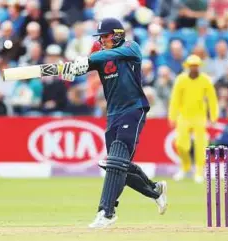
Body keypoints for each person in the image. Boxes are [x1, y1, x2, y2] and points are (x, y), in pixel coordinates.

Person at [60, 18, 168, 228]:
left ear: (117, 34)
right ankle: (155, 189)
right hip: (113, 115)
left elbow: (107, 55)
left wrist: (89, 58)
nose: (101, 41)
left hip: (133, 109)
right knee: (118, 166)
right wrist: (70, 70)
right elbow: (79, 68)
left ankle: (106, 212)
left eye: (104, 37)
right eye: (100, 38)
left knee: (116, 160)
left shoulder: (131, 48)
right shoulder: (100, 56)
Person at [168, 55, 219, 183]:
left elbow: (212, 99)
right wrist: (172, 116)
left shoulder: (205, 80)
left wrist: (213, 116)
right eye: (192, 66)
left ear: (199, 66)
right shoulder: (181, 79)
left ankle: (199, 172)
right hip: (184, 116)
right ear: (187, 66)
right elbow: (175, 99)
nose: (194, 68)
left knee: (201, 145)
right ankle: (185, 167)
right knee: (181, 145)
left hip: (199, 117)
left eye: (196, 66)